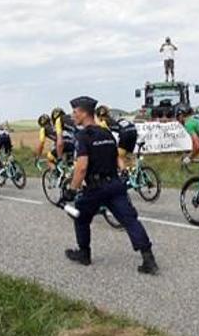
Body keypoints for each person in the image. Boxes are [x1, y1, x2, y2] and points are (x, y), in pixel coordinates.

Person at [62, 96, 158, 274]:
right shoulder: (106, 133)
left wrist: (71, 190)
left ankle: (84, 253)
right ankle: (148, 258)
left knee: (80, 217)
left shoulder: (83, 136)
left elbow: (81, 167)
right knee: (130, 220)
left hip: (95, 188)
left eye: (74, 112)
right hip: (114, 184)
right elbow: (116, 158)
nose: (72, 115)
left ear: (83, 113)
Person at [96, 105, 139, 172]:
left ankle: (124, 174)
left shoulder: (103, 122)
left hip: (125, 134)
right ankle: (135, 172)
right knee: (128, 155)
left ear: (100, 116)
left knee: (118, 157)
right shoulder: (114, 115)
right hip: (133, 130)